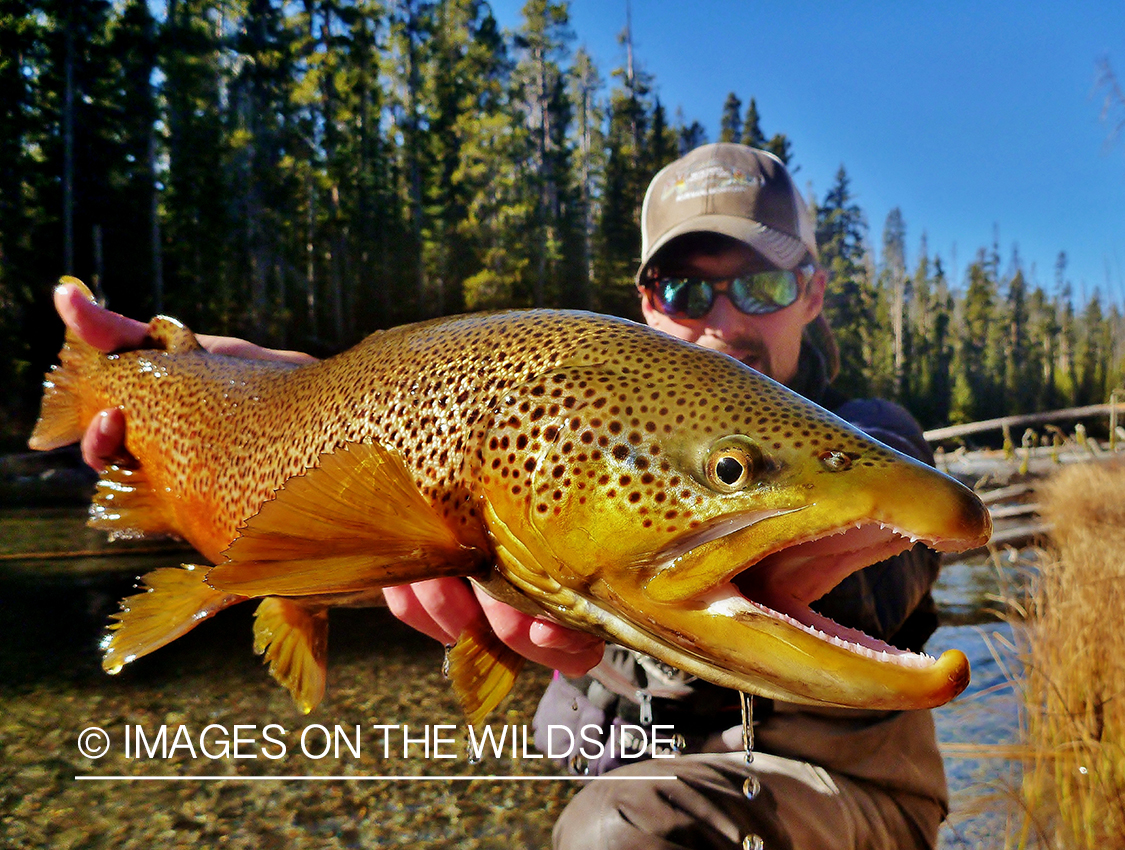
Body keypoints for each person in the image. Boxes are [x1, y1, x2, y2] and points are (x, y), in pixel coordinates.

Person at [61, 143, 947, 850]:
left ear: (812, 296)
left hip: (820, 801)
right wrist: (255, 391)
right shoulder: (584, 408)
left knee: (619, 836)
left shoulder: (872, 434)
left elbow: (887, 574)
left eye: (758, 285)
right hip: (607, 779)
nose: (719, 322)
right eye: (684, 288)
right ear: (645, 300)